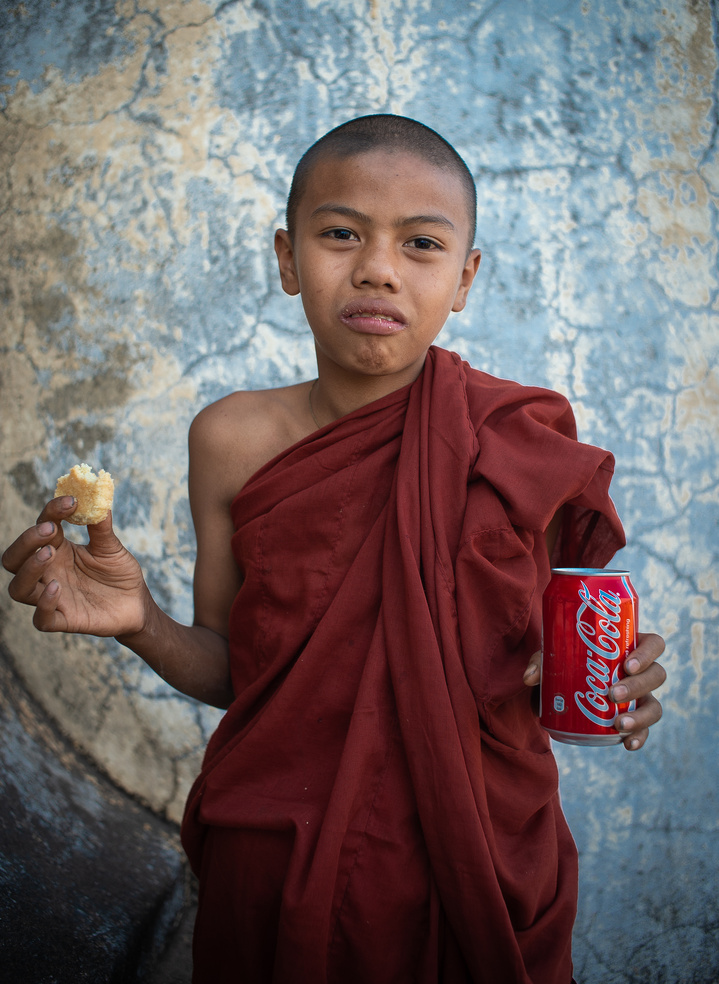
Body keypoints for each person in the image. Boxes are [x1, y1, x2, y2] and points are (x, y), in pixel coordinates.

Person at [2, 115, 665, 984]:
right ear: (287, 259)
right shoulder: (233, 437)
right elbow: (243, 672)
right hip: (280, 847)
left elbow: (535, 665)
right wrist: (137, 620)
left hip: (478, 849)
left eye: (421, 243)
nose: (377, 268)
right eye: (340, 233)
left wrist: (614, 683)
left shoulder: (510, 442)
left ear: (463, 279)